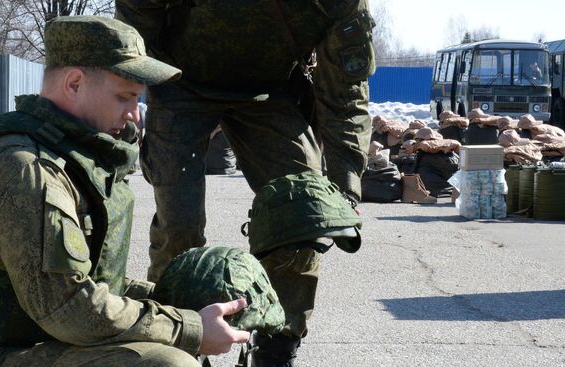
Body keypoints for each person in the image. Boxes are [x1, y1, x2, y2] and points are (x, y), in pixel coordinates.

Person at [0, 16, 249, 367]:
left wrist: (184, 302)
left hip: (38, 345)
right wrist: (190, 328)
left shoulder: (72, 159)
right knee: (167, 363)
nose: (135, 115)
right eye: (125, 97)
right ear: (74, 83)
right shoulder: (25, 168)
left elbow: (100, 284)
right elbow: (70, 307)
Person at [115, 1, 376, 365]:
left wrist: (344, 186)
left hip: (271, 92)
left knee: (305, 217)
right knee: (180, 226)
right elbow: (132, 35)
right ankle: (177, 340)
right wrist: (115, 133)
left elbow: (345, 96)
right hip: (179, 82)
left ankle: (277, 345)